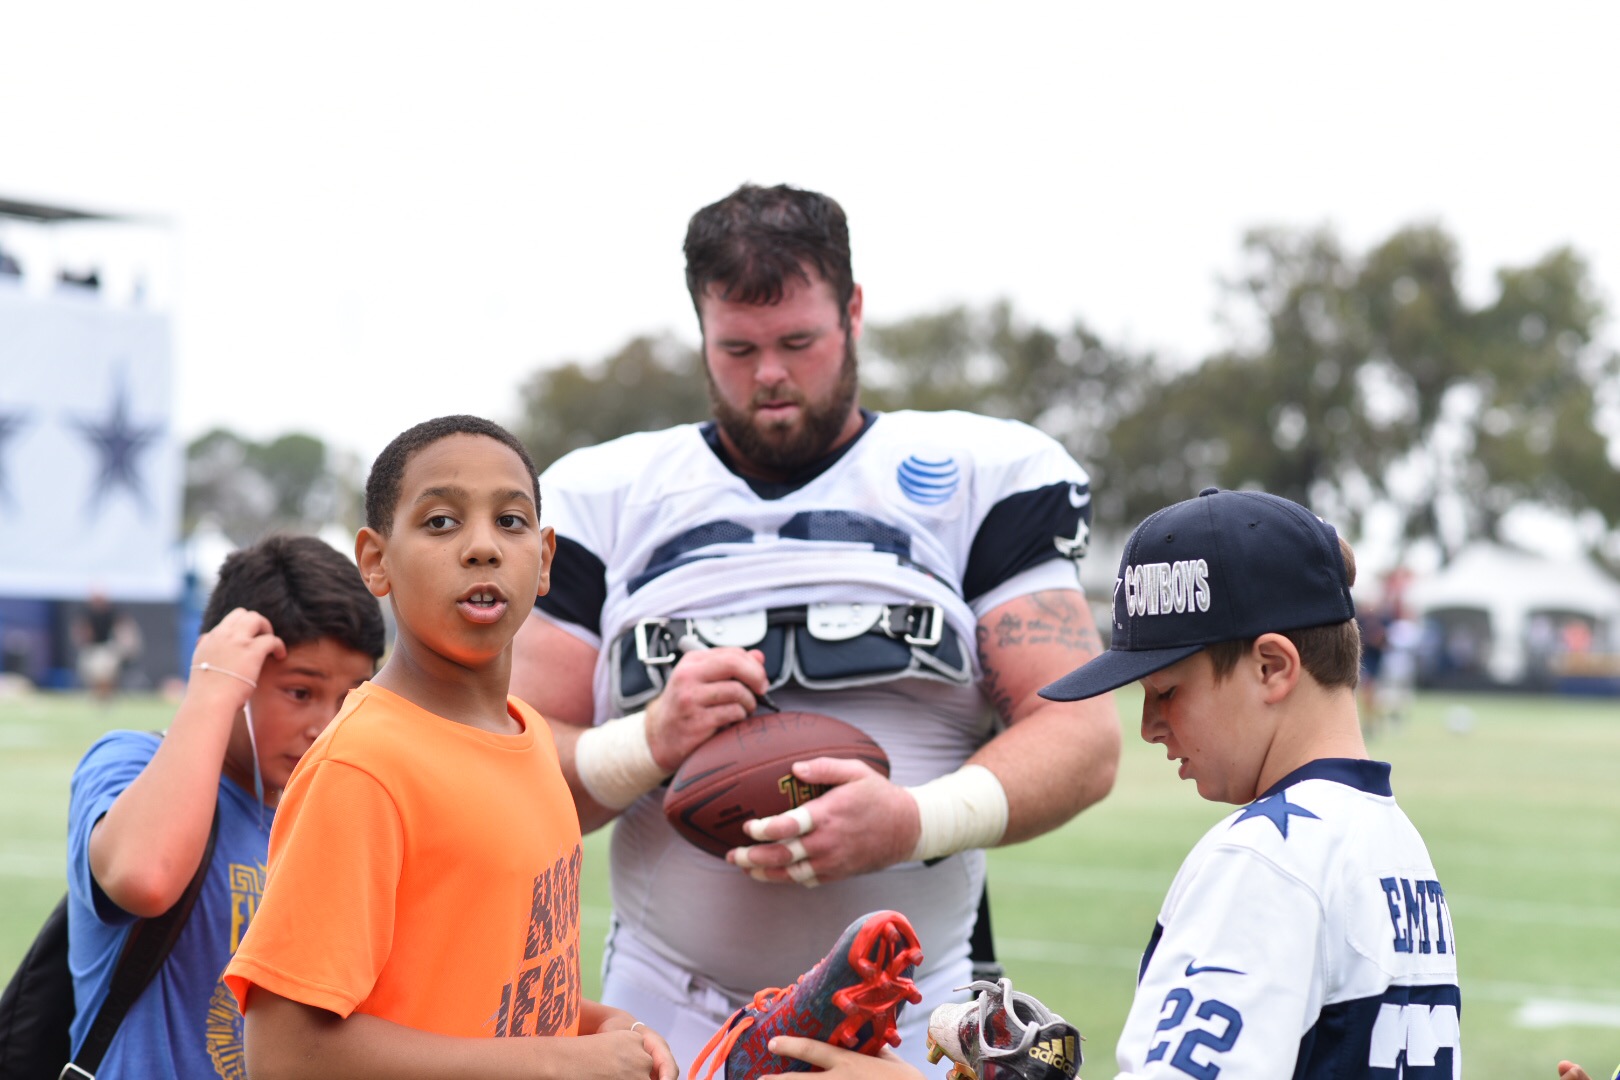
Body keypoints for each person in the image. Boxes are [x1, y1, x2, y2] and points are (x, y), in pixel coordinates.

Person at [508, 183, 1121, 1070]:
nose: (769, 374)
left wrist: (908, 821)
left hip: (907, 1007)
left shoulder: (978, 476)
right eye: (738, 347)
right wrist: (647, 741)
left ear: (855, 313)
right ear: (701, 334)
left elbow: (1080, 734)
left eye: (798, 342)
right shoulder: (598, 499)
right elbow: (514, 773)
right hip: (663, 1009)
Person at [222, 415, 677, 1080]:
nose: (482, 547)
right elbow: (285, 1054)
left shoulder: (530, 737)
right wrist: (558, 1062)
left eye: (512, 522)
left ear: (545, 559)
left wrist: (599, 1026)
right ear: (376, 562)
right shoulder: (364, 765)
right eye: (441, 522)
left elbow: (496, 1005)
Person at [1039, 487, 1462, 1076]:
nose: (1149, 727)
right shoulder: (1394, 842)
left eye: (1166, 692)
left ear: (1272, 668)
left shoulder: (1264, 858)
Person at [66, 534, 385, 1077]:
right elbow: (146, 876)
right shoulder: (132, 762)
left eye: (351, 697)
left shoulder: (330, 810)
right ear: (235, 668)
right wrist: (212, 690)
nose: (325, 725)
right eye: (300, 693)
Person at [74, 590, 140, 701]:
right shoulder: (86, 613)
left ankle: (108, 693)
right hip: (93, 649)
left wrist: (125, 646)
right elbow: (80, 633)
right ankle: (97, 693)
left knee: (106, 662)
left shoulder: (114, 612)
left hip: (110, 648)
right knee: (91, 662)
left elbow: (124, 631)